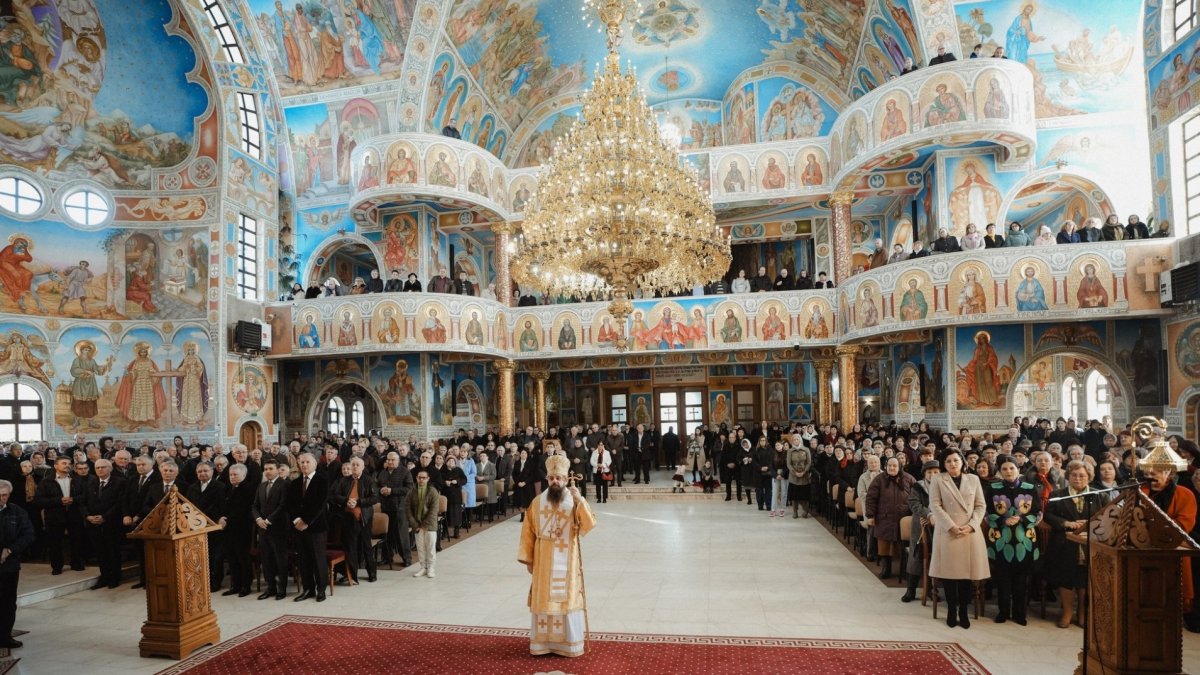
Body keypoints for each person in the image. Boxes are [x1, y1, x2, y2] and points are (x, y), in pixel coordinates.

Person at [518, 454, 597, 658]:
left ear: (565, 480)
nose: (555, 481)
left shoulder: (573, 501)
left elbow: (588, 525)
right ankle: (544, 643)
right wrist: (528, 558)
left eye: (559, 478)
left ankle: (568, 643)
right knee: (544, 598)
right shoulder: (536, 503)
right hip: (543, 559)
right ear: (547, 480)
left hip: (568, 557)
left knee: (566, 598)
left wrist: (580, 500)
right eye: (552, 478)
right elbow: (527, 531)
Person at [1046, 461, 1110, 628]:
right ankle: (1067, 612)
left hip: (1090, 544)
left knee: (1084, 578)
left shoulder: (1100, 495)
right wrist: (1066, 523)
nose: (1077, 478)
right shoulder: (1058, 494)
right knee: (1066, 577)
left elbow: (1109, 518)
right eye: (1074, 475)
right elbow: (1048, 516)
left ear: (1089, 477)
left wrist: (1091, 523)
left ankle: (1082, 613)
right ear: (1068, 476)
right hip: (1064, 543)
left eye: (1082, 475)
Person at [928, 450, 988, 629]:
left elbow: (980, 505)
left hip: (969, 531)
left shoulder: (973, 479)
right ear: (944, 464)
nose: (953, 464)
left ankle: (963, 610)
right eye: (948, 461)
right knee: (949, 574)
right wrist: (951, 526)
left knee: (966, 575)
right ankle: (952, 610)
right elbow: (935, 505)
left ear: (962, 462)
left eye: (956, 460)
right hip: (948, 530)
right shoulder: (938, 479)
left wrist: (972, 525)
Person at [984, 456, 1042, 625]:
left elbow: (1038, 512)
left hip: (1024, 538)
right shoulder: (992, 488)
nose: (1008, 472)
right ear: (1000, 472)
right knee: (1002, 578)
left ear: (1018, 470)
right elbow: (987, 511)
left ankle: (1019, 613)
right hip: (1001, 538)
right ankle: (1002, 612)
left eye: (1012, 468)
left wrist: (1021, 519)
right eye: (1004, 469)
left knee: (1021, 580)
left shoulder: (1030, 488)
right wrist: (1003, 520)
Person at [1142, 462, 1197, 615]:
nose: (1151, 474)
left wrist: (1153, 527)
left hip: (1172, 549)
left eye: (1157, 471)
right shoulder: (1140, 491)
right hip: (1142, 549)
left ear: (1170, 474)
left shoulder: (1185, 494)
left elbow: (1185, 524)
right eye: (1149, 471)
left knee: (1171, 600)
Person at [287, 453, 329, 602]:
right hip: (298, 527)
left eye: (307, 462)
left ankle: (321, 589)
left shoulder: (322, 480)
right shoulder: (295, 482)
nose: (304, 464)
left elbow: (320, 504)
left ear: (315, 464)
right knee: (304, 560)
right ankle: (308, 589)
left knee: (318, 559)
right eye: (301, 462)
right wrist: (297, 520)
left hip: (316, 527)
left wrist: (306, 521)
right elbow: (290, 504)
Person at [866, 456, 915, 579]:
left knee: (902, 545)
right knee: (884, 545)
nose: (892, 468)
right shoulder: (879, 479)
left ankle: (904, 570)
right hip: (884, 517)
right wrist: (870, 515)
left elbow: (916, 497)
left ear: (900, 467)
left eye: (895, 465)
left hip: (903, 518)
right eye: (889, 465)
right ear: (885, 467)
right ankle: (886, 568)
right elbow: (871, 498)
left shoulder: (909, 479)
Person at [35, 457, 86, 574]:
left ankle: (77, 563)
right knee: (55, 542)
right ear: (56, 466)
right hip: (54, 516)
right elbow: (39, 501)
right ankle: (57, 566)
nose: (67, 465)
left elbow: (84, 496)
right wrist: (59, 501)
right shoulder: (46, 481)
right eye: (64, 463)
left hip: (74, 514)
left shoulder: (77, 480)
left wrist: (73, 499)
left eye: (69, 463)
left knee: (77, 540)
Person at [901, 460, 940, 603]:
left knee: (934, 557)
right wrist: (928, 514)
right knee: (916, 557)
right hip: (921, 525)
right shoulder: (918, 486)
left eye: (936, 472)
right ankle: (910, 590)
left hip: (939, 526)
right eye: (929, 472)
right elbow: (913, 503)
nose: (933, 475)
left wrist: (936, 517)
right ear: (924, 474)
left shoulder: (945, 486)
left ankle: (930, 589)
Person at [0, 480, 33, 649]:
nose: (1, 499)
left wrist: (9, 550)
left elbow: (28, 535)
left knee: (7, 602)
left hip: (9, 566)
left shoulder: (17, 512)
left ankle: (5, 636)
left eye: (4, 495)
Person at [83, 459, 125, 589]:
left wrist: (105, 517)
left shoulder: (120, 482)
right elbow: (83, 501)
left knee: (113, 551)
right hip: (93, 523)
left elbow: (120, 503)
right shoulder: (91, 482)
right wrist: (87, 516)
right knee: (100, 552)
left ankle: (114, 578)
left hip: (111, 523)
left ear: (110, 468)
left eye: (103, 467)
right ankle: (104, 577)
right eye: (97, 468)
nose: (100, 470)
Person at [252, 458, 290, 600]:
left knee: (280, 559)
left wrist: (268, 520)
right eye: (266, 469)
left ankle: (282, 588)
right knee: (266, 560)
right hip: (263, 529)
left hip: (278, 528)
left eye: (270, 469)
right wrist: (258, 520)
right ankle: (270, 587)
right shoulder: (261, 486)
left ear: (278, 470)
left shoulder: (284, 484)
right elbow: (254, 506)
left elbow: (283, 505)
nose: (267, 471)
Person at [407, 469, 440, 578]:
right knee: (420, 548)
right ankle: (423, 568)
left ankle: (431, 568)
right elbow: (408, 508)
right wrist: (415, 524)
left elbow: (434, 510)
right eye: (419, 477)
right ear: (416, 478)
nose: (421, 480)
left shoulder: (432, 491)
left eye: (424, 478)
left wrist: (424, 525)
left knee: (430, 548)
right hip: (417, 525)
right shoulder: (412, 491)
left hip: (429, 525)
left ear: (428, 479)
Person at [786, 438, 812, 519]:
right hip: (793, 475)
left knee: (804, 495)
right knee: (794, 495)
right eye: (794, 440)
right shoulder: (790, 451)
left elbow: (809, 462)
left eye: (797, 439)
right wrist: (795, 472)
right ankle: (795, 511)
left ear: (800, 440)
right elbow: (788, 464)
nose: (796, 441)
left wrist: (804, 472)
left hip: (804, 475)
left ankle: (805, 510)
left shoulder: (806, 449)